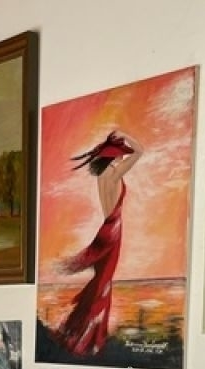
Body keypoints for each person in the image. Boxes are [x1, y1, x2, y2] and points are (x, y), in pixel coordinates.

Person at [54, 130, 143, 356]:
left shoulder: (102, 175)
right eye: (121, 152)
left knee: (100, 282)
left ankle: (79, 331)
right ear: (114, 154)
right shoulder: (114, 173)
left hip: (106, 228)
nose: (123, 156)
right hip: (113, 231)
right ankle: (90, 340)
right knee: (103, 284)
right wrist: (125, 134)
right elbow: (140, 151)